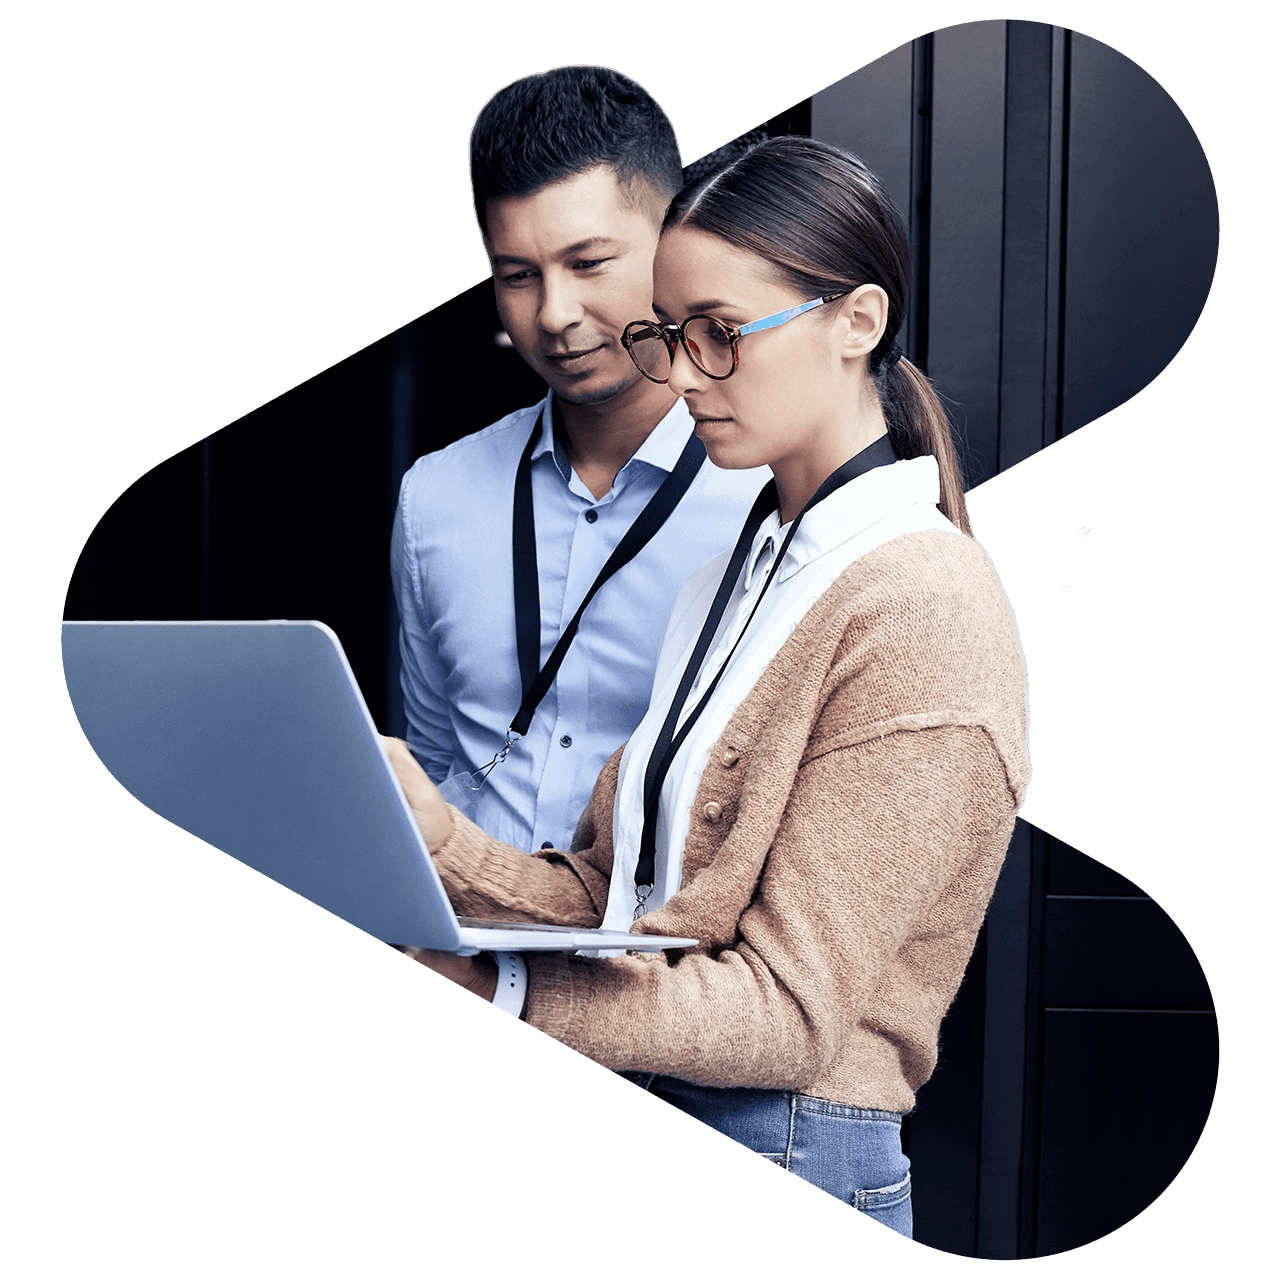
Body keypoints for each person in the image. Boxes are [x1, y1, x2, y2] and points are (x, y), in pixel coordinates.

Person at [383, 135, 1030, 1239]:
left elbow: (786, 1012)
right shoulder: (742, 572)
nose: (681, 377)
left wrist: (503, 992)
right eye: (669, 334)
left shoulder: (922, 603)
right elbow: (623, 907)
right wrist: (440, 840)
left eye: (720, 334)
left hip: (790, 1145)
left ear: (857, 322)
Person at [392, 66, 767, 856]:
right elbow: (432, 770)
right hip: (463, 929)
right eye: (517, 276)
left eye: (589, 263)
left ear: (675, 244)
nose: (554, 314)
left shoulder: (772, 495)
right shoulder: (436, 497)